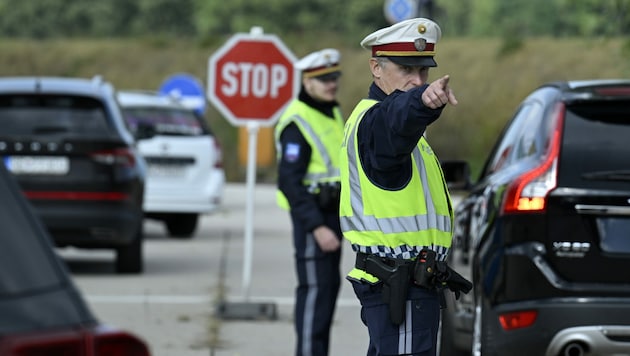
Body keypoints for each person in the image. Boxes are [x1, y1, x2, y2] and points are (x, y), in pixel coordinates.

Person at [338, 18, 470, 356]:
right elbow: (397, 119)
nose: (416, 80)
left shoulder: (393, 125)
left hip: (408, 285)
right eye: (406, 69)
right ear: (376, 68)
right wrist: (422, 103)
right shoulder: (377, 121)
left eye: (423, 72)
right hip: (400, 285)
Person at [274, 48, 345, 356]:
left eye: (334, 77)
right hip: (313, 220)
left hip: (332, 216)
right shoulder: (297, 122)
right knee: (315, 294)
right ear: (307, 82)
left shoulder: (330, 112)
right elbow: (289, 182)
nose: (331, 84)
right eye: (323, 79)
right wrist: (317, 227)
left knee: (327, 292)